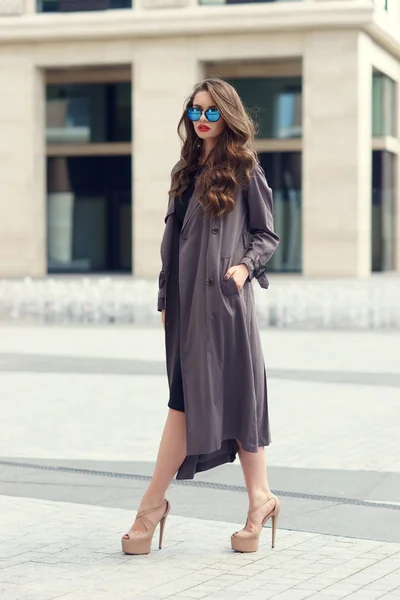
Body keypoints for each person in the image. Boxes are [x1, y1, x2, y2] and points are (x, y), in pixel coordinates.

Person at [122, 77, 280, 556]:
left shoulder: (245, 169)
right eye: (196, 110)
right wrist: (166, 298)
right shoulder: (184, 171)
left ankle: (151, 507)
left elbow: (266, 235)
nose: (203, 119)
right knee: (217, 397)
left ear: (227, 115)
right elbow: (171, 245)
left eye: (212, 111)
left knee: (197, 402)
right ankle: (261, 499)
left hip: (226, 307)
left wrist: (241, 269)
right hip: (185, 308)